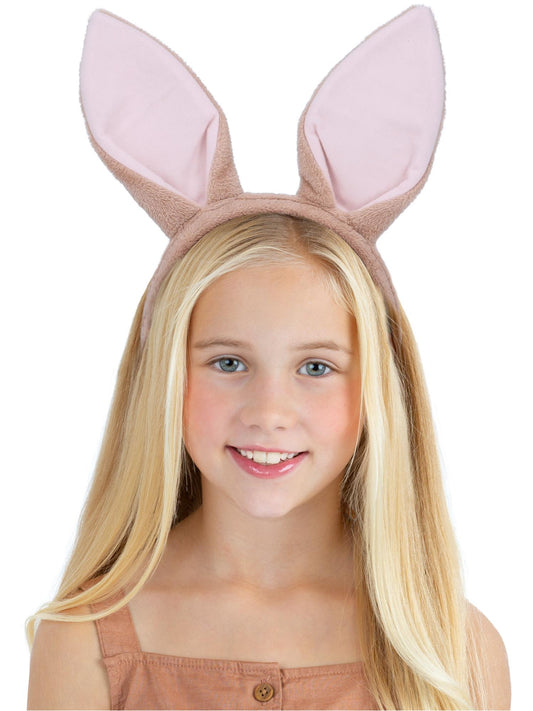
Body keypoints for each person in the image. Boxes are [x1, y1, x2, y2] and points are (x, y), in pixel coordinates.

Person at [26, 6, 511, 710]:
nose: (269, 412)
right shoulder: (85, 641)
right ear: (166, 377)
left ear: (379, 388)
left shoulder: (452, 652)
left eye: (316, 367)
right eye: (228, 363)